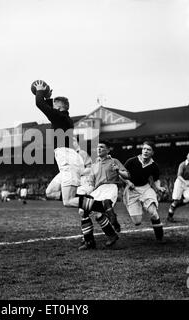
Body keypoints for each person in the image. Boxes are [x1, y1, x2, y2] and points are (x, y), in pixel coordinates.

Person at [34, 80, 118, 247]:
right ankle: (94, 208)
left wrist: (39, 92)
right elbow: (49, 108)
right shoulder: (61, 118)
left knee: (69, 201)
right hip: (69, 160)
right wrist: (49, 98)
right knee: (50, 192)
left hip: (68, 160)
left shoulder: (60, 116)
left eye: (55, 105)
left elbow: (39, 104)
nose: (52, 108)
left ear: (61, 107)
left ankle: (101, 206)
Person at [77, 141, 129, 250]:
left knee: (99, 213)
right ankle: (91, 240)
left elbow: (127, 175)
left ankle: (109, 231)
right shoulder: (94, 165)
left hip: (110, 188)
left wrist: (118, 170)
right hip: (97, 191)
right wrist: (87, 193)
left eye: (102, 147)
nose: (99, 149)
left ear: (108, 150)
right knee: (83, 211)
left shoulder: (114, 161)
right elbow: (91, 183)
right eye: (98, 147)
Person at [122, 141, 166, 242]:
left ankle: (159, 237)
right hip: (131, 190)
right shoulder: (131, 161)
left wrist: (158, 187)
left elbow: (156, 179)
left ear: (152, 152)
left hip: (145, 188)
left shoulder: (154, 165)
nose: (145, 151)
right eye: (144, 149)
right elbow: (121, 174)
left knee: (153, 212)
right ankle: (139, 207)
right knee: (137, 222)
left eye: (148, 149)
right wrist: (128, 182)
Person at [167, 152, 189, 222]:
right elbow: (179, 176)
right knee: (176, 200)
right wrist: (185, 181)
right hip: (180, 182)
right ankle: (170, 217)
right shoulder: (182, 164)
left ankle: (174, 206)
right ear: (187, 156)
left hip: (187, 182)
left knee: (188, 198)